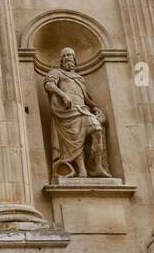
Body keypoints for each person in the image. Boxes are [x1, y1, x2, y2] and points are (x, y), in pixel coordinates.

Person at [44, 47, 111, 180]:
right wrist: (63, 96)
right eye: (65, 56)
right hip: (67, 112)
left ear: (75, 59)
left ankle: (97, 166)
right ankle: (82, 170)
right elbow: (49, 85)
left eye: (71, 55)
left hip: (83, 109)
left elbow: (86, 97)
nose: (68, 57)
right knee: (75, 140)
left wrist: (95, 108)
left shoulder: (80, 78)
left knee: (97, 130)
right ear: (61, 60)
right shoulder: (56, 72)